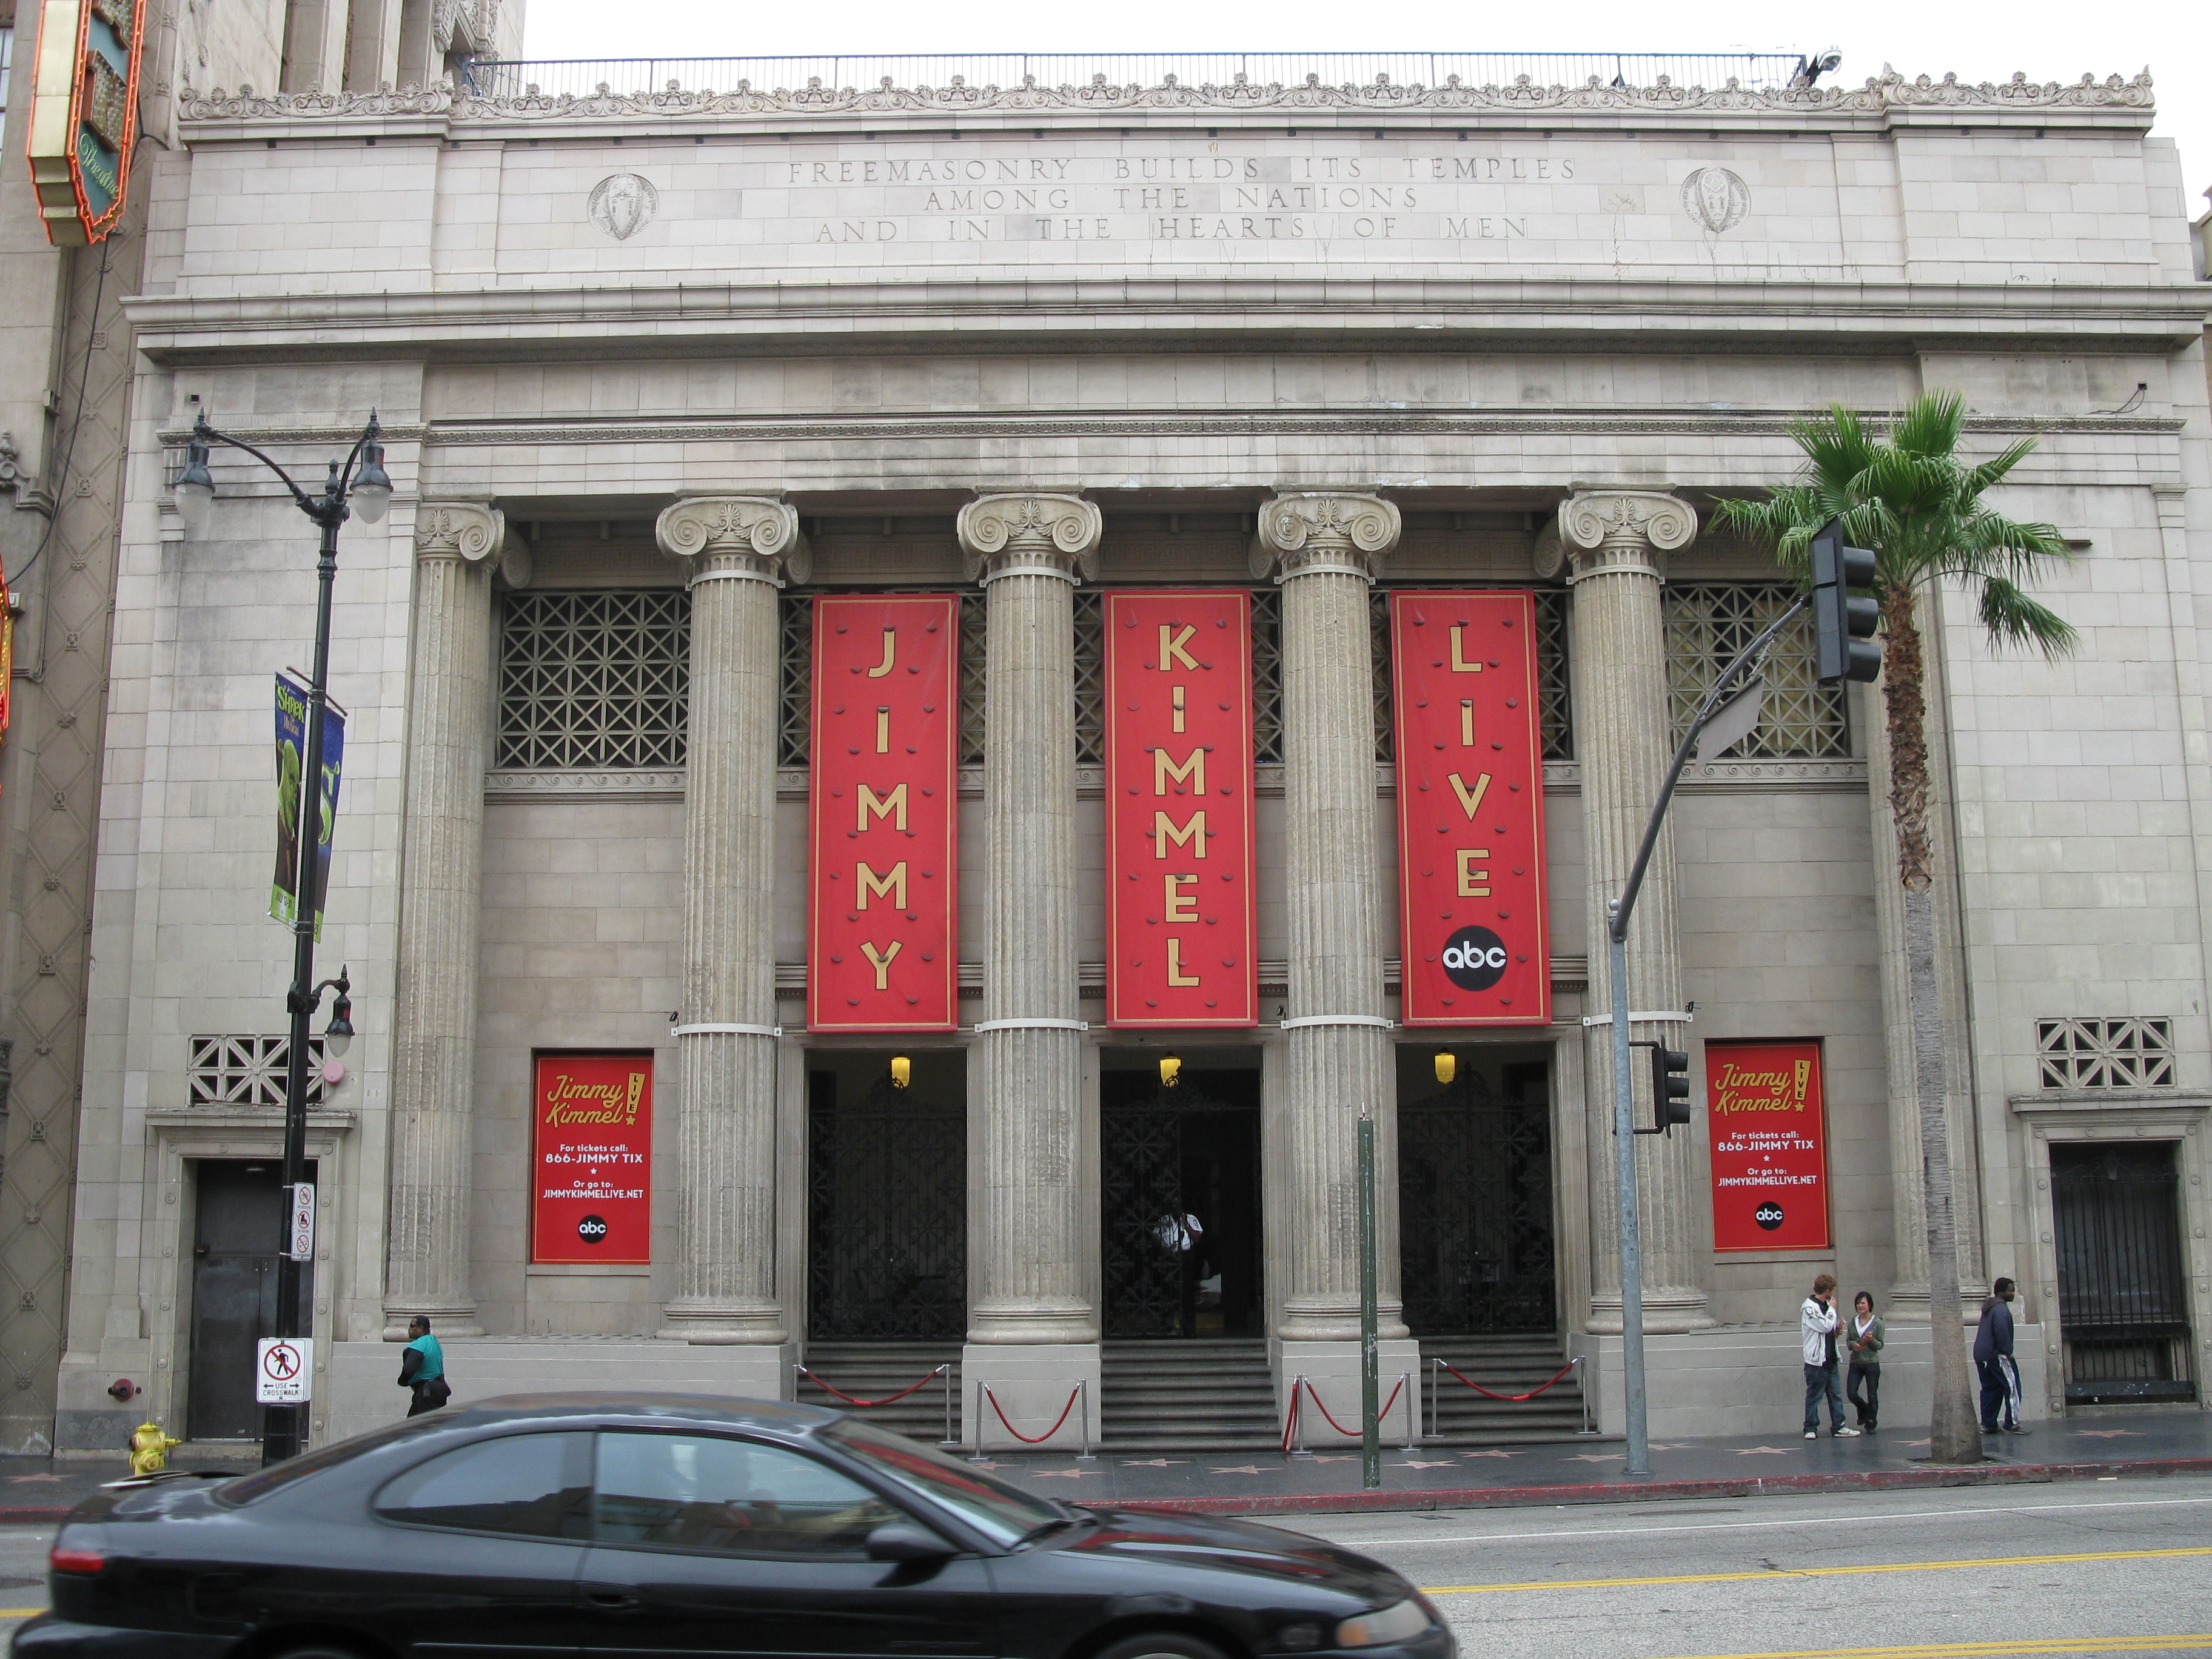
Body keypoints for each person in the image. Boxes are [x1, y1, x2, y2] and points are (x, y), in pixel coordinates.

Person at [1800, 1273, 1858, 1438]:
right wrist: (1832, 1309)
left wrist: (1837, 1330)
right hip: (1816, 1361)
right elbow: (1824, 1326)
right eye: (1831, 1290)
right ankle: (1810, 1427)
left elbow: (1828, 1330)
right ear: (1827, 1290)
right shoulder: (1809, 1308)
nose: (1833, 1294)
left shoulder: (1826, 1306)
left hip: (1830, 1357)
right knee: (1814, 1395)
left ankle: (1839, 1425)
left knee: (1835, 1394)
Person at [1975, 1278, 2023, 1434]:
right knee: (2012, 1387)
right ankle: (2012, 1423)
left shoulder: (1989, 1307)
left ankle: (1988, 1425)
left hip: (1982, 1356)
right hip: (1997, 1355)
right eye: (2010, 1290)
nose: (2013, 1293)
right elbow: (2002, 1332)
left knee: (1991, 1389)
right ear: (2001, 1292)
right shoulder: (2001, 1309)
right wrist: (2007, 1352)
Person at [1844, 1291, 1885, 1432]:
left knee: (1872, 1394)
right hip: (1856, 1363)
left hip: (1871, 1363)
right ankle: (1864, 1409)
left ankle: (1871, 1422)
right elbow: (1849, 1341)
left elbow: (1880, 1345)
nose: (1860, 1306)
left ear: (1869, 1305)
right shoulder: (1852, 1322)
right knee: (1852, 1393)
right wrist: (1853, 1345)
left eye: (1863, 1303)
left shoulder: (1877, 1323)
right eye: (1858, 1303)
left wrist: (1871, 1340)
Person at [398, 1315, 451, 1417]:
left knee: (419, 1424)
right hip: (438, 1388)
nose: (409, 1329)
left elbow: (409, 1369)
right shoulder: (433, 1341)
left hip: (427, 1392)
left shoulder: (418, 1345)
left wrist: (403, 1381)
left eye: (412, 1326)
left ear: (420, 1328)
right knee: (418, 1422)